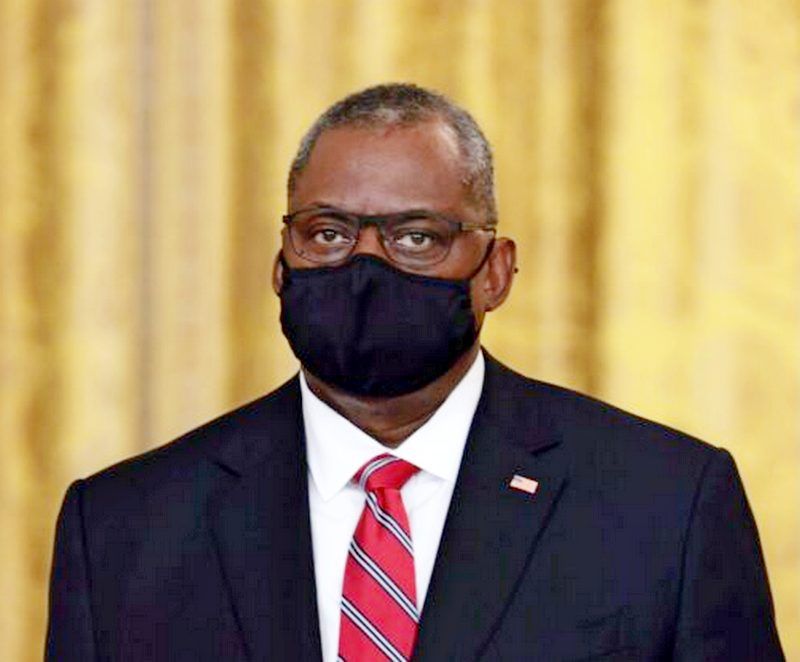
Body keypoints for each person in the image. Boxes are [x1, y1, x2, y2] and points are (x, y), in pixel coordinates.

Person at [46, 83, 783, 661]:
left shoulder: (667, 506)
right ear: (280, 264)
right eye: (328, 233)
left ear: (495, 272)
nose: (366, 265)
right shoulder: (123, 528)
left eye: (416, 236)